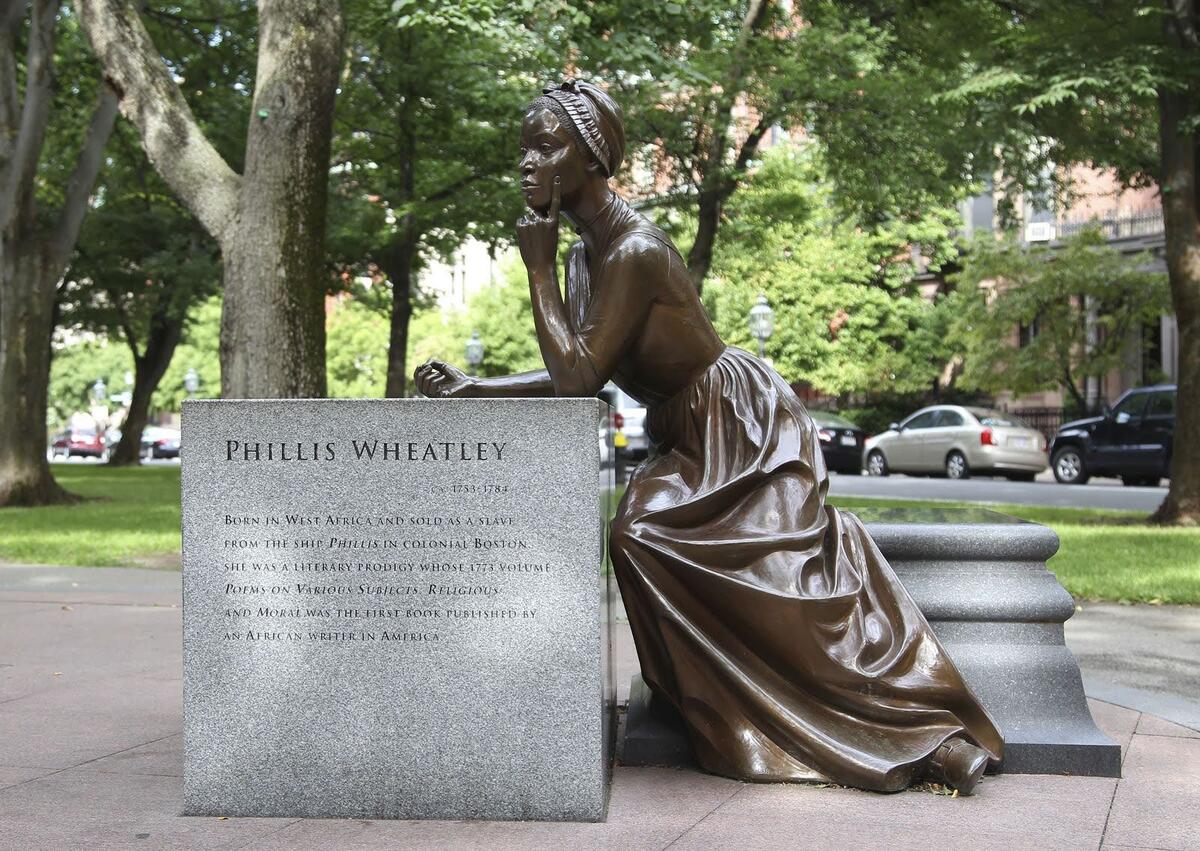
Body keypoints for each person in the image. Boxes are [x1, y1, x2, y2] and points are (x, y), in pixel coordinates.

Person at [414, 79, 1002, 794]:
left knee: (764, 576)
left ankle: (916, 735)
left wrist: (534, 271)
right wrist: (478, 388)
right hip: (686, 434)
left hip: (741, 427)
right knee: (636, 534)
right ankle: (704, 699)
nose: (527, 164)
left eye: (546, 146)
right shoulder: (582, 259)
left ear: (592, 155)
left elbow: (576, 379)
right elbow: (579, 370)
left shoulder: (634, 251)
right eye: (523, 150)